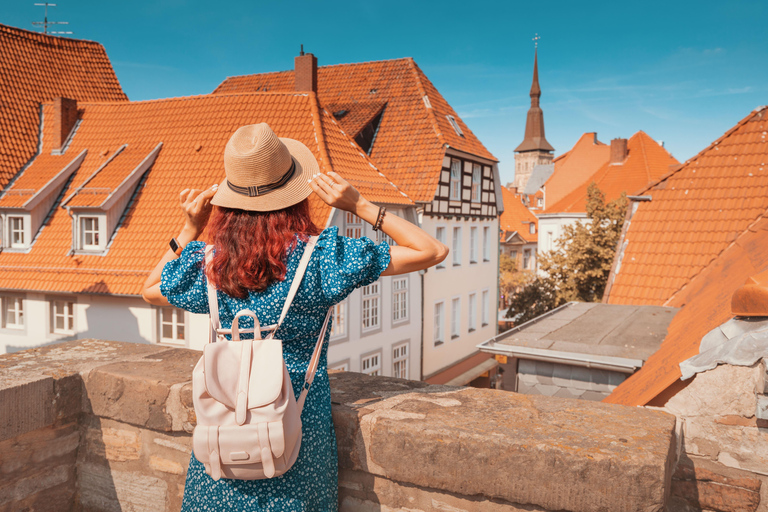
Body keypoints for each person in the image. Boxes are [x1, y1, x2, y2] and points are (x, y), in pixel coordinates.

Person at [141, 123, 448, 511]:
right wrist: (359, 205)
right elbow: (431, 250)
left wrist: (190, 227)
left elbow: (150, 289)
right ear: (294, 195)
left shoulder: (210, 263)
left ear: (229, 201)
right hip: (298, 436)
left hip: (224, 441)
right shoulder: (321, 258)